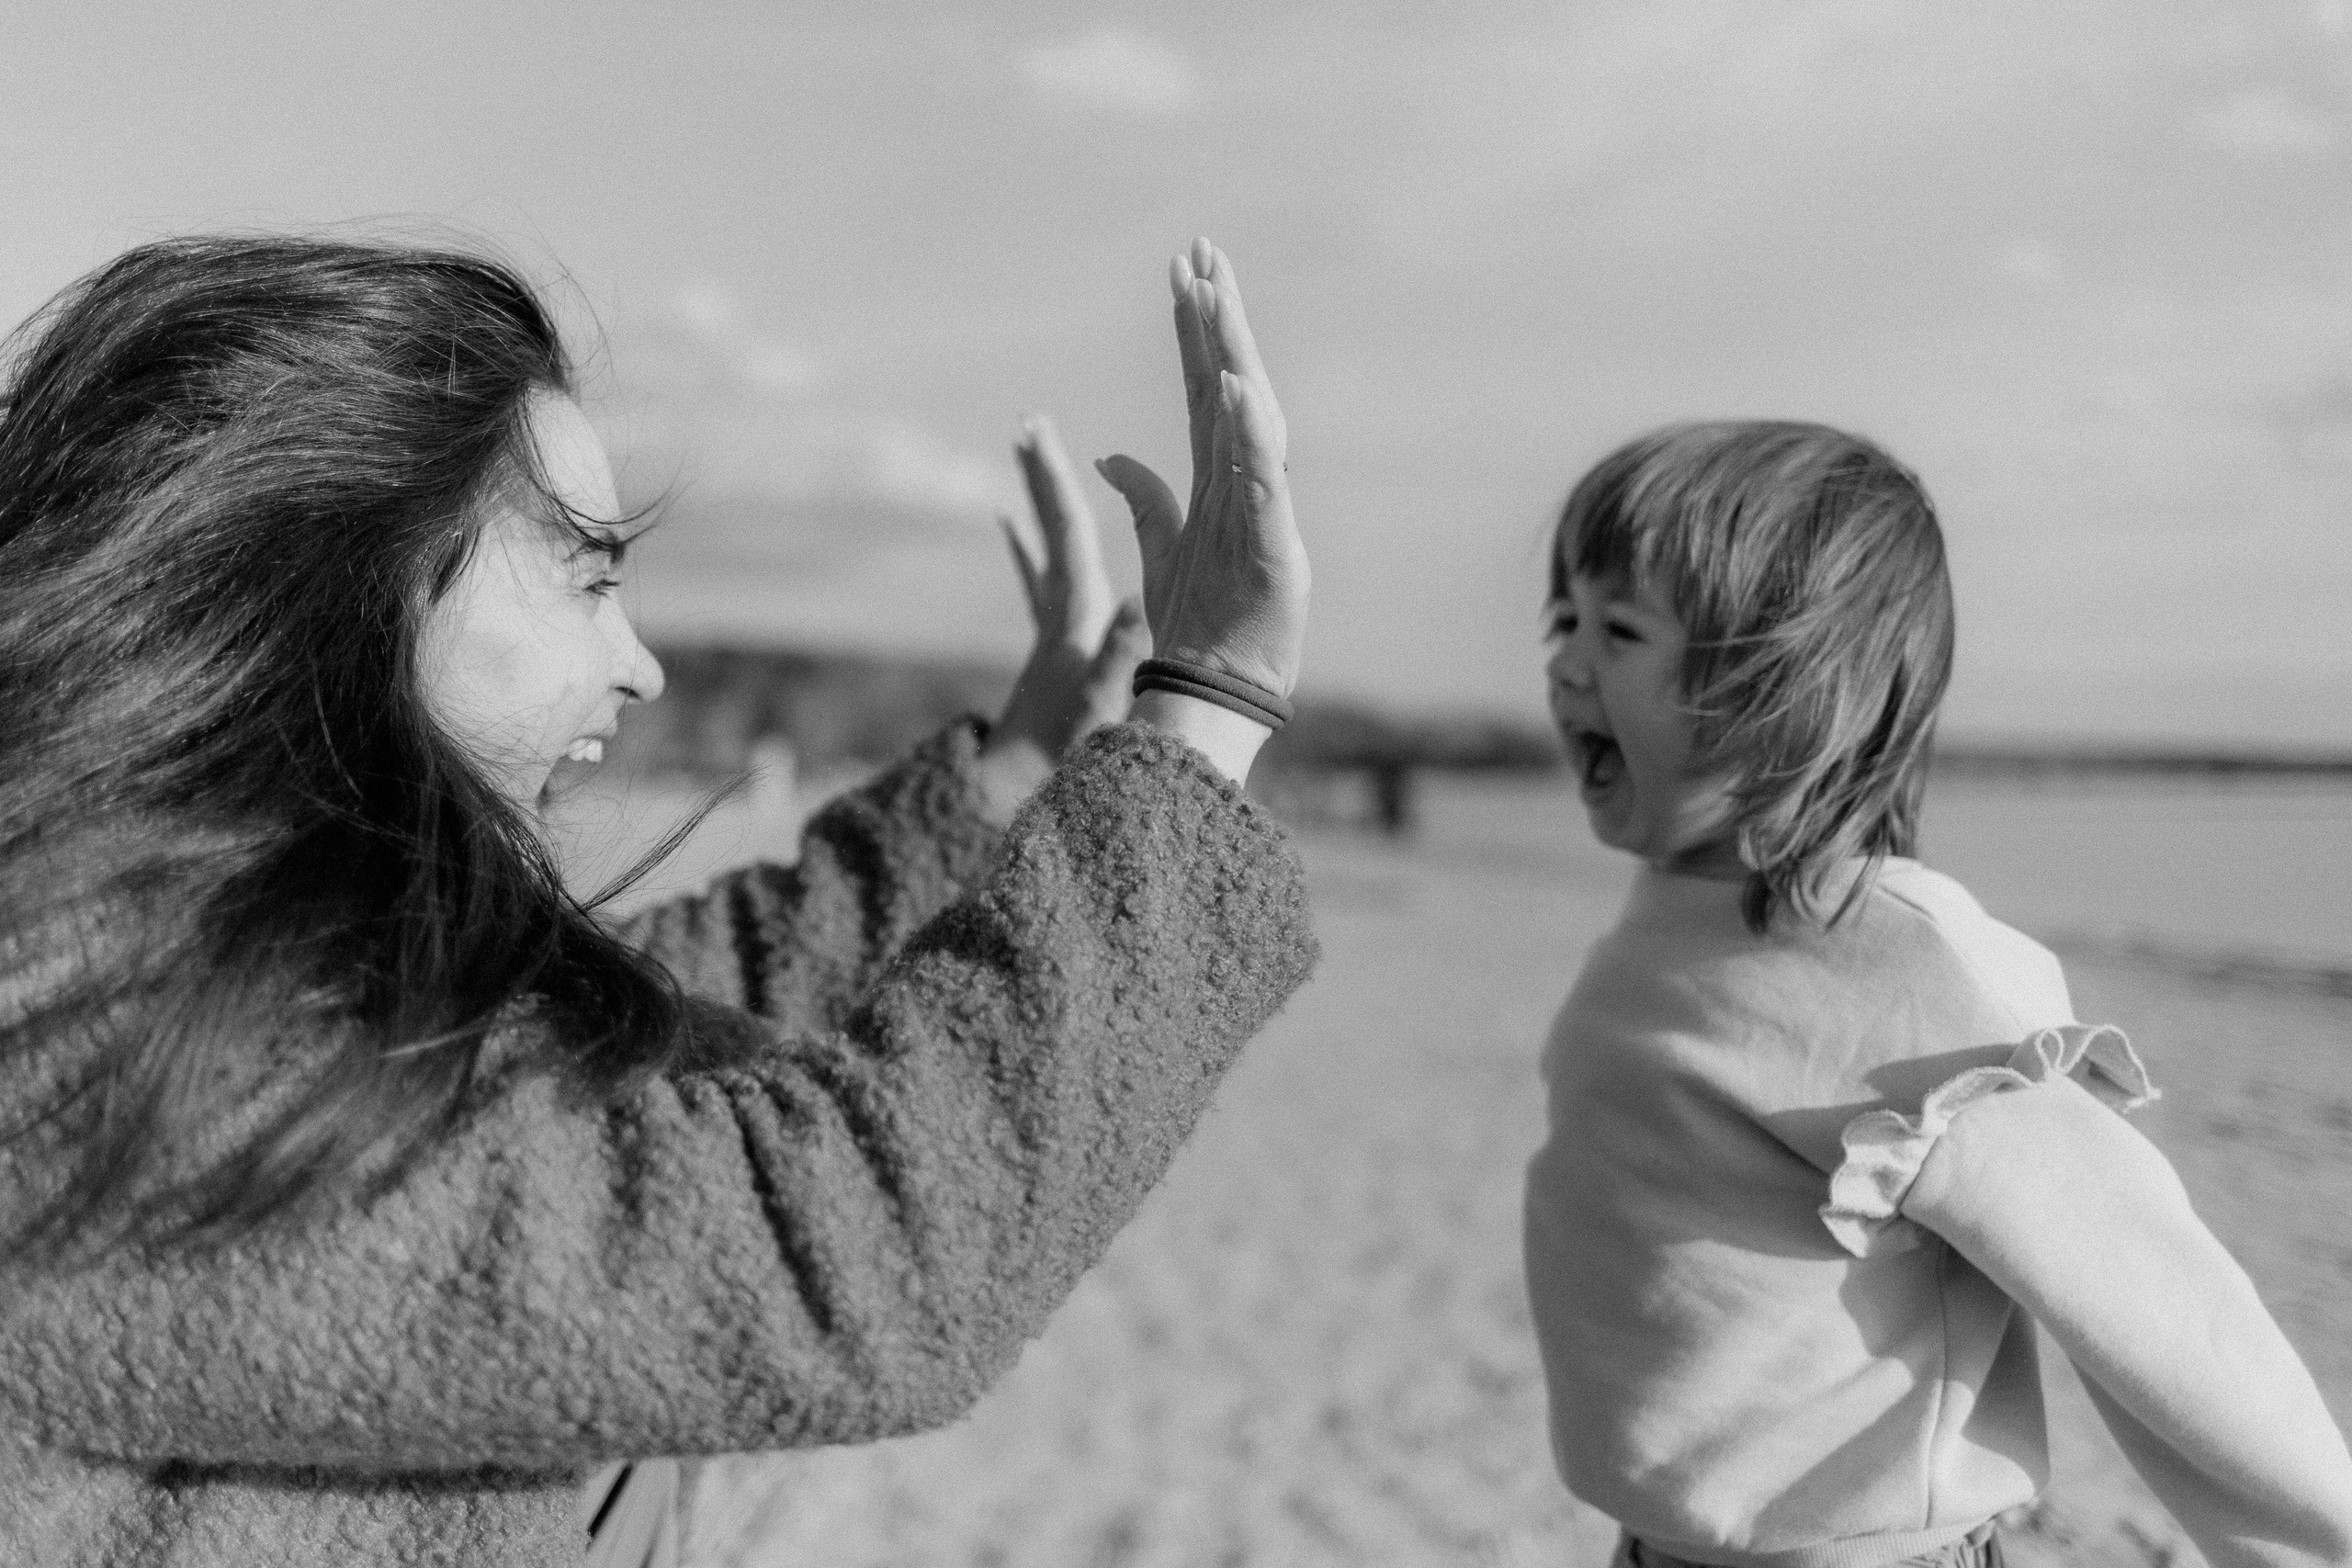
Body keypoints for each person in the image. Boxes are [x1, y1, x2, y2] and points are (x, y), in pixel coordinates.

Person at [0, 232, 1314, 1568]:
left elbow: (638, 1015)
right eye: (590, 573)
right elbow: (839, 1253)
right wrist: (1208, 708)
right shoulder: (84, 1069)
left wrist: (1018, 765)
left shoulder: (164, 961)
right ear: (338, 577)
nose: (640, 666)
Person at [1520, 422, 2352, 1568]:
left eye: (1616, 630)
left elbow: (2160, 1309)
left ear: (1789, 690)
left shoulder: (1910, 967)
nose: (1563, 664)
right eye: (1561, 619)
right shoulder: (1667, 910)